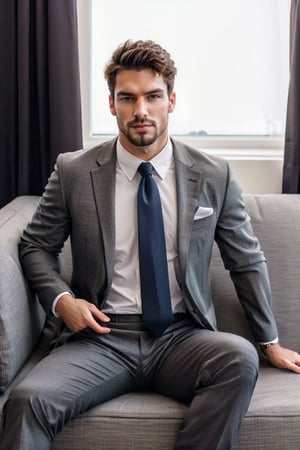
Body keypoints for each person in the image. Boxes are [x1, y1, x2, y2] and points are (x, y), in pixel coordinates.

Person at [1, 39, 300, 450]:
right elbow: (35, 245)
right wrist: (62, 301)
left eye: (152, 96)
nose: (141, 110)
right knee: (25, 401)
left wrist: (270, 342)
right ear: (112, 104)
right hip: (101, 336)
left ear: (171, 100)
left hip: (182, 337)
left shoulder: (213, 174)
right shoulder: (74, 171)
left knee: (238, 357)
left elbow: (245, 260)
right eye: (128, 98)